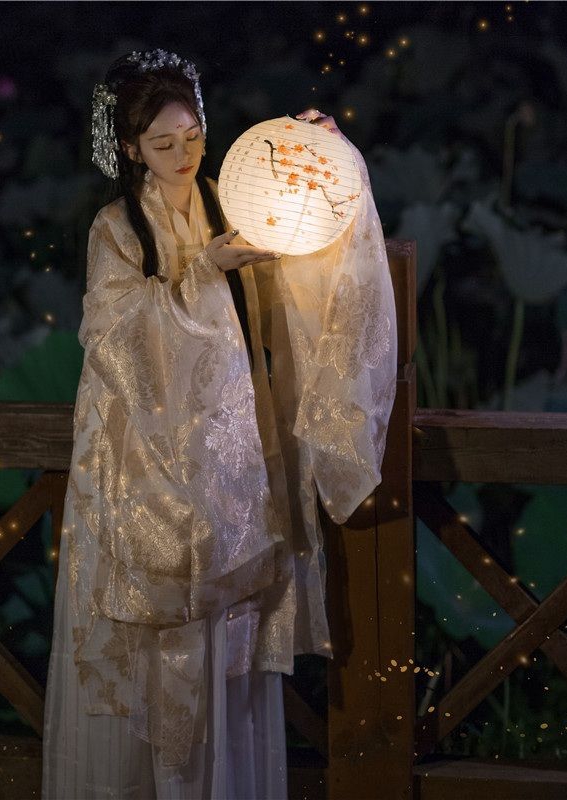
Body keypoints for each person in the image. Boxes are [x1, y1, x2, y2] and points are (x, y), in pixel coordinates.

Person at [42, 48, 397, 800]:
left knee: (230, 637)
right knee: (158, 635)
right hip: (143, 469)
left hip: (234, 464)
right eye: (162, 143)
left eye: (194, 136)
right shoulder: (116, 227)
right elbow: (113, 338)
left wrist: (326, 162)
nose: (183, 155)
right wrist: (205, 271)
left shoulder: (235, 200)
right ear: (130, 148)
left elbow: (315, 256)